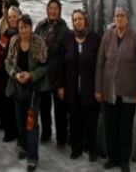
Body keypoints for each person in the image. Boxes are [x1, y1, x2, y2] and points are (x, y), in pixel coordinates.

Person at [95, 5, 136, 172]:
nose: (119, 18)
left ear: (127, 18)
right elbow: (100, 64)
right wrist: (98, 89)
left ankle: (124, 160)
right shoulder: (107, 37)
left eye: (122, 15)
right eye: (117, 16)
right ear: (114, 19)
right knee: (110, 126)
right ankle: (112, 157)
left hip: (128, 92)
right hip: (109, 90)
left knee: (125, 128)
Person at [5, 14, 48, 172]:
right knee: (20, 120)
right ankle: (24, 147)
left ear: (31, 27)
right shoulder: (14, 41)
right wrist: (15, 74)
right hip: (17, 88)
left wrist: (31, 75)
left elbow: (44, 66)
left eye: (26, 27)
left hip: (33, 90)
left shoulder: (38, 42)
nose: (23, 30)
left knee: (32, 124)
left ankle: (32, 157)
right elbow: (8, 62)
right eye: (21, 27)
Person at [58, 9, 101, 161]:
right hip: (72, 90)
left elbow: (100, 65)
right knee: (75, 121)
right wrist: (61, 86)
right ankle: (76, 148)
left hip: (90, 90)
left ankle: (92, 149)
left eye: (80, 19)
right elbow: (62, 65)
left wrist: (99, 88)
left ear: (85, 21)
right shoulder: (68, 39)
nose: (77, 22)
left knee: (91, 122)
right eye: (75, 20)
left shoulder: (95, 39)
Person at [33, 0, 69, 147]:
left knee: (60, 109)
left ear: (59, 11)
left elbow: (66, 56)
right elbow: (34, 45)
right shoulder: (41, 26)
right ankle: (46, 132)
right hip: (42, 74)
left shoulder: (64, 30)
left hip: (57, 74)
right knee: (44, 107)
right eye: (50, 8)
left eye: (55, 8)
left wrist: (62, 82)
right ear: (47, 10)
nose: (53, 11)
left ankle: (61, 138)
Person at [0, 6, 21, 143]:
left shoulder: (22, 32)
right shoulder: (5, 34)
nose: (12, 19)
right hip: (6, 74)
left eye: (14, 16)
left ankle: (19, 132)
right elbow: (0, 49)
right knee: (6, 103)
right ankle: (9, 131)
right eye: (10, 17)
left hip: (19, 74)